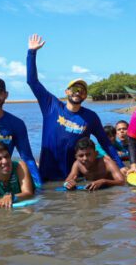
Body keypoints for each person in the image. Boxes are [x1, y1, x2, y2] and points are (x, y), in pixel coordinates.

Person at [26, 34, 125, 181]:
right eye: (74, 89)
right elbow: (32, 81)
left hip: (76, 176)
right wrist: (31, 53)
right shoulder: (51, 106)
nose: (77, 92)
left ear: (85, 96)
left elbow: (105, 143)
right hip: (48, 175)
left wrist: (120, 165)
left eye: (81, 90)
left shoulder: (90, 117)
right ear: (66, 92)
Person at [0, 142, 35, 208]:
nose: (5, 161)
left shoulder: (20, 166)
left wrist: (12, 197)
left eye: (7, 156)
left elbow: (28, 193)